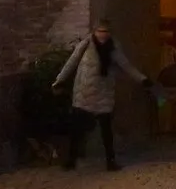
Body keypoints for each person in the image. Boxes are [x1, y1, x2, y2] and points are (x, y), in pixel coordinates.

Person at [53, 18, 149, 171]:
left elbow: (125, 65)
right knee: (77, 129)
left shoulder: (114, 47)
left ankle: (110, 162)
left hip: (103, 94)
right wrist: (60, 80)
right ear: (94, 32)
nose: (103, 35)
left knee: (106, 130)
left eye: (105, 32)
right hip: (84, 92)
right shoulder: (85, 44)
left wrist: (142, 79)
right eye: (100, 31)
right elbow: (71, 62)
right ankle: (71, 160)